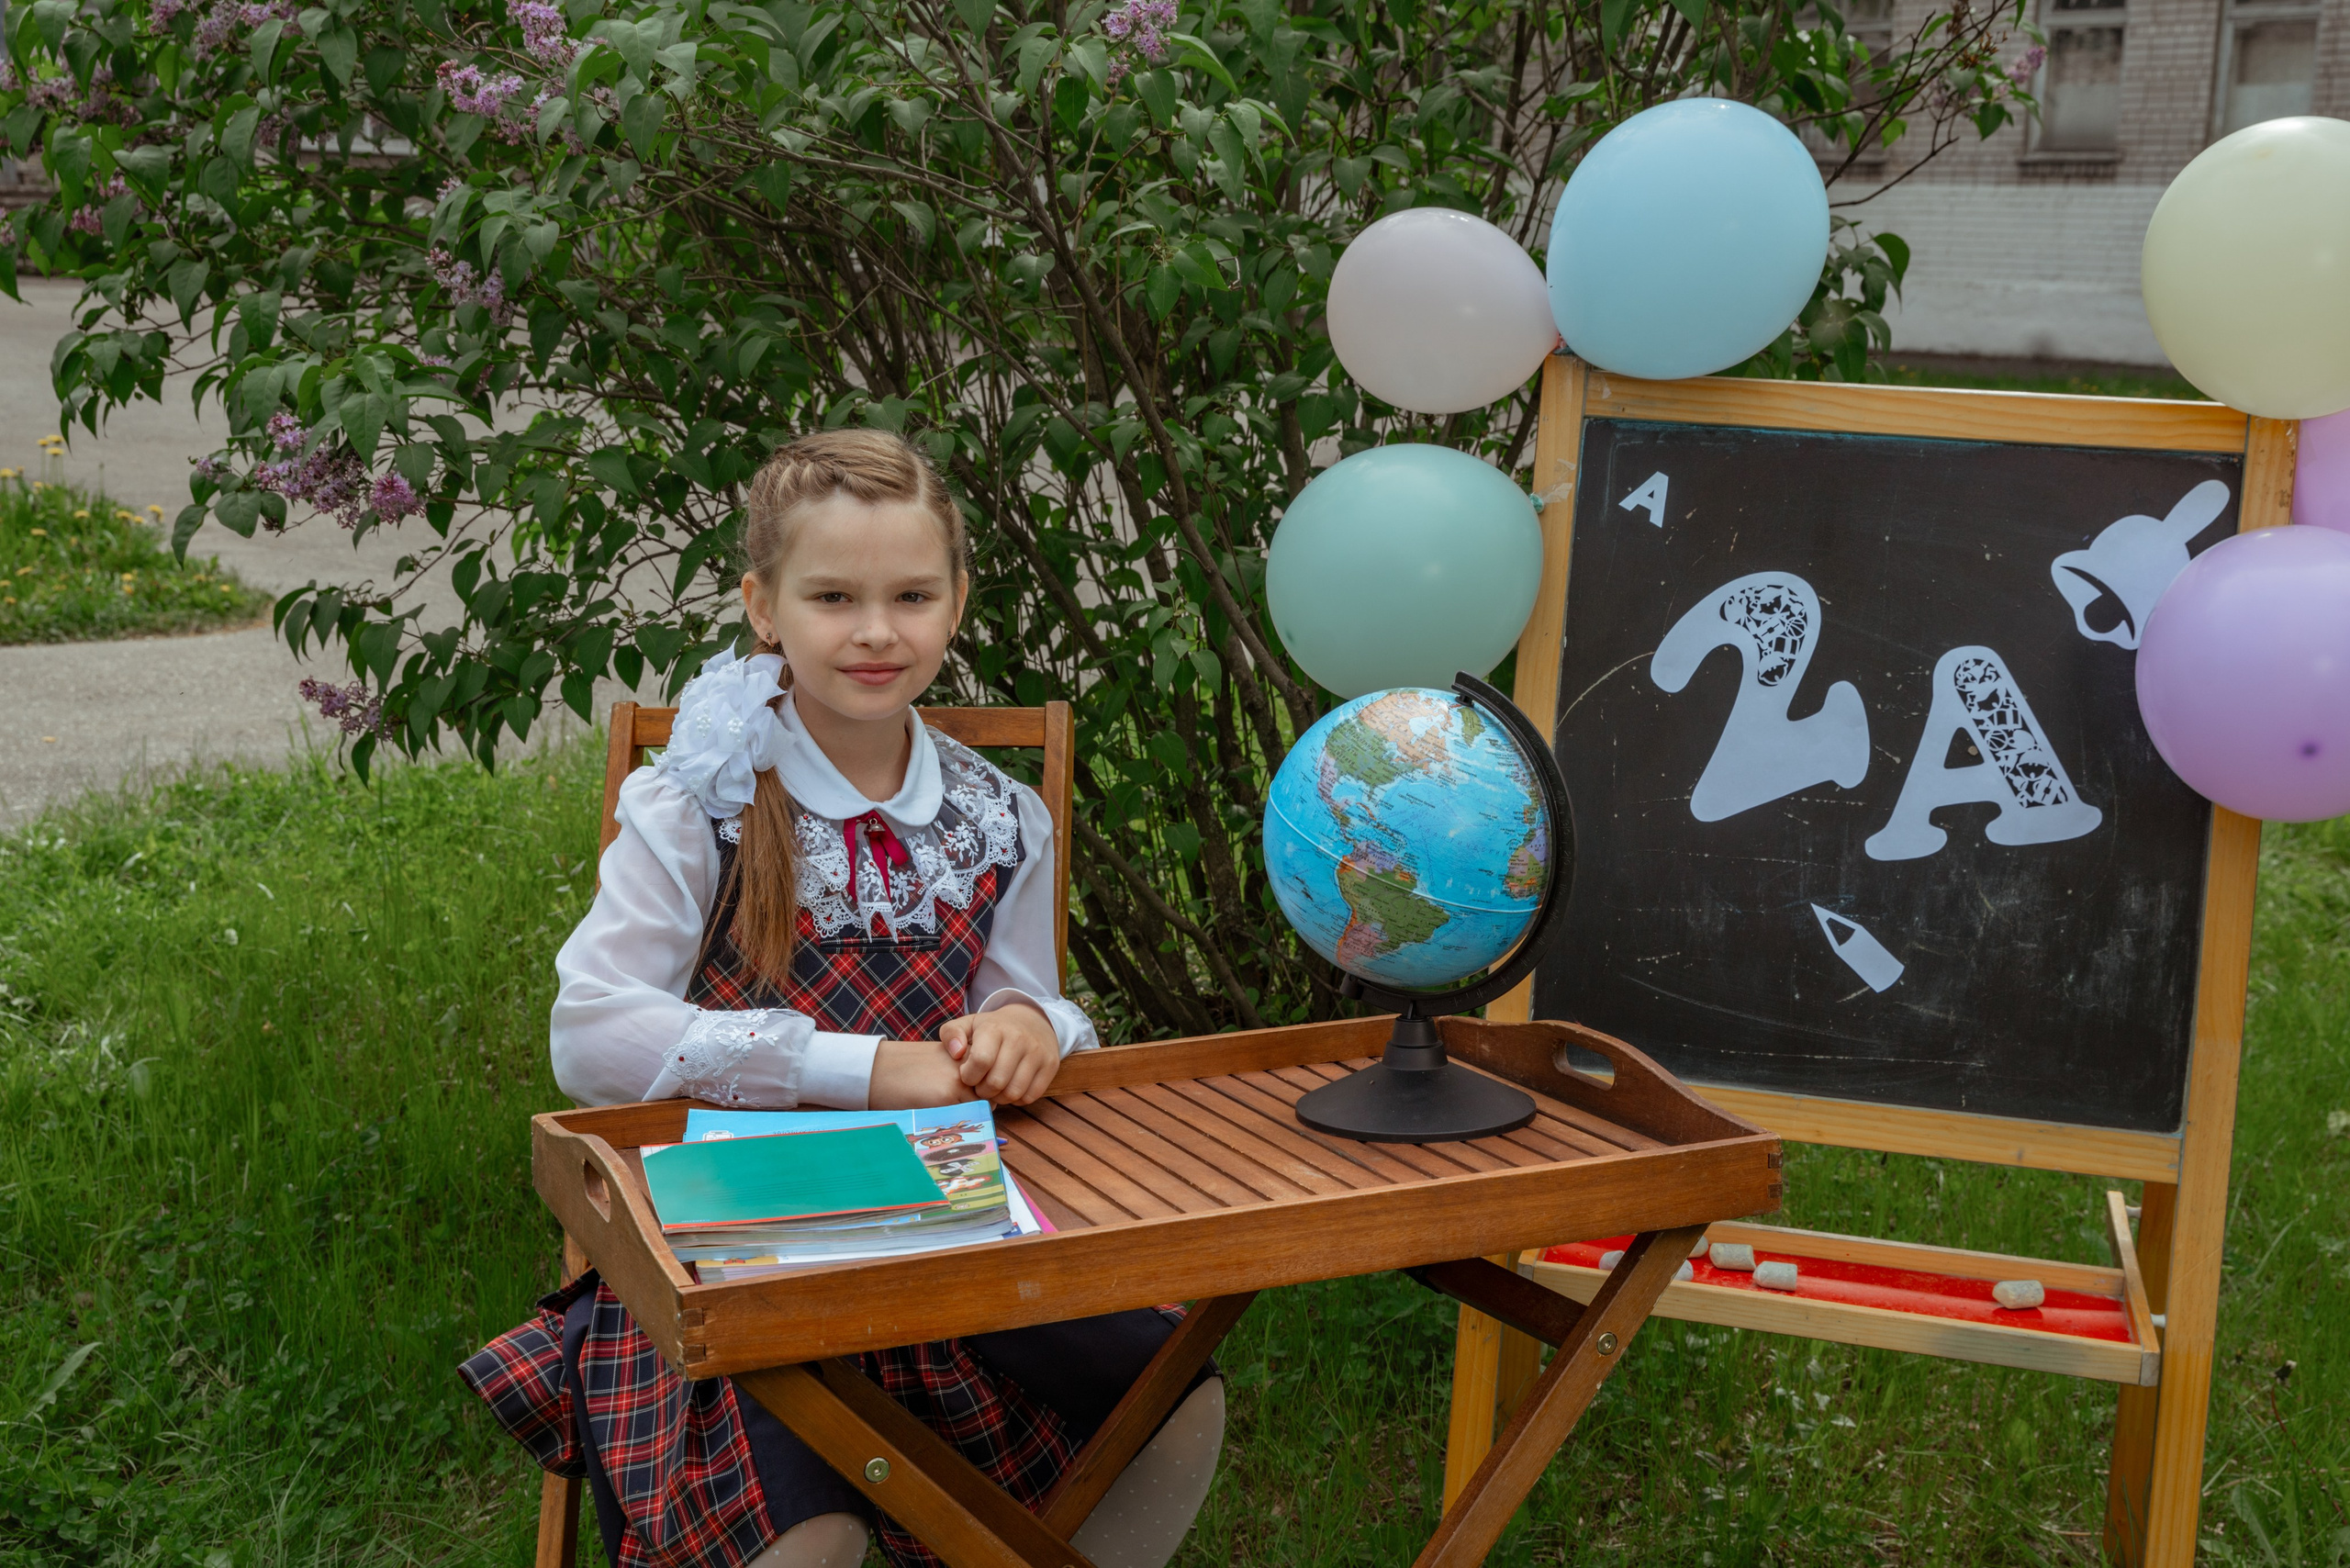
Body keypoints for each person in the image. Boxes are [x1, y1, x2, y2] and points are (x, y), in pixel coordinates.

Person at [458, 431, 1225, 1568]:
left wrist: (1028, 1031)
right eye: (834, 597)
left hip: (943, 1229)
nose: (877, 631)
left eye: (912, 594)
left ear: (956, 601)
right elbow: (591, 1032)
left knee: (1171, 1394)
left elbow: (1039, 1006)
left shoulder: (999, 814)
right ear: (763, 606)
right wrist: (869, 1067)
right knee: (800, 1524)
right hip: (727, 1241)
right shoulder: (700, 802)